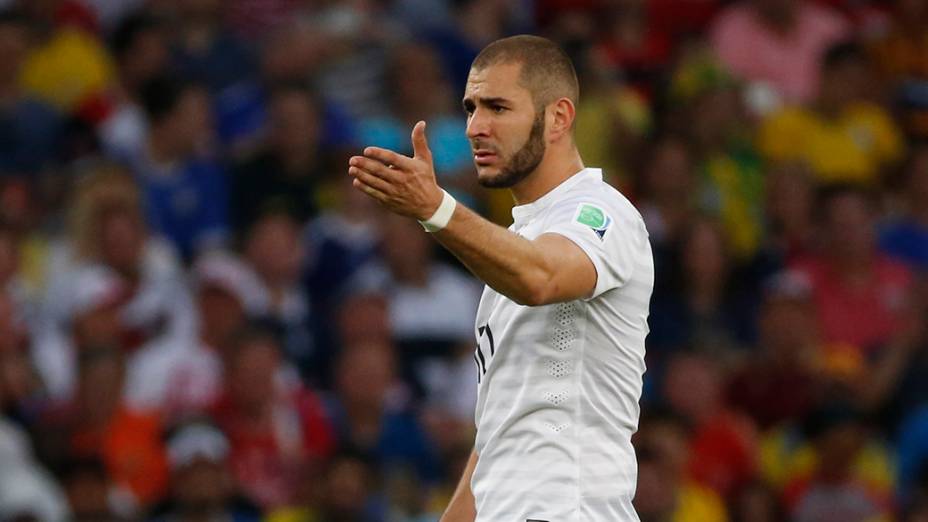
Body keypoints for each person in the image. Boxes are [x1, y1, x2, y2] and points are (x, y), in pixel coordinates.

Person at [348, 34, 654, 521]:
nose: (474, 127)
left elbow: (542, 278)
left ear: (558, 117)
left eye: (497, 107)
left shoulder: (601, 211)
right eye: (470, 108)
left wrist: (436, 209)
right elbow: (497, 434)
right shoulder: (511, 250)